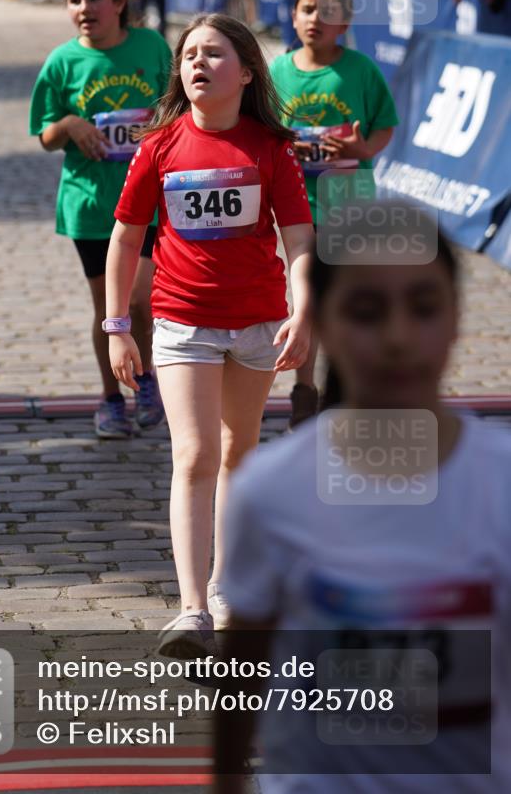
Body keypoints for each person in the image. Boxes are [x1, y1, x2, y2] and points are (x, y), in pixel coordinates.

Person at [215, 206, 511, 793]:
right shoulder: (268, 492)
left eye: (423, 308)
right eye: (367, 312)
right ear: (320, 322)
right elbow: (242, 680)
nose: (399, 338)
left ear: (456, 318)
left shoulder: (501, 483)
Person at [105, 13, 314, 655]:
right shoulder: (159, 145)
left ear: (246, 72)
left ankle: (227, 586)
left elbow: (300, 238)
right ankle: (191, 608)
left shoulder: (270, 148)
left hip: (257, 326)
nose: (198, 64)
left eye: (215, 54)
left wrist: (304, 312)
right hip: (181, 323)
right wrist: (116, 325)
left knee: (238, 454)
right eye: (189, 54)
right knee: (193, 455)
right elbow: (127, 236)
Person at [29, 0, 171, 438]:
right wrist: (69, 125)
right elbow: (44, 135)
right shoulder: (62, 62)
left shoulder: (151, 47)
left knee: (141, 302)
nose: (84, 8)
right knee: (109, 311)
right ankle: (111, 399)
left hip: (151, 201)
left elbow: (181, 108)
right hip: (91, 205)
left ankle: (146, 381)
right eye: (74, 0)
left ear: (119, 2)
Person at [270, 0, 398, 426]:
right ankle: (304, 390)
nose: (315, 20)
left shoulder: (360, 71)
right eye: (307, 9)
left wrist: (363, 150)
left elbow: (384, 124)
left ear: (344, 23)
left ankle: (344, 389)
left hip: (349, 204)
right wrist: (286, 148)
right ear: (293, 15)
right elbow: (263, 129)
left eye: (327, 13)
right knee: (306, 301)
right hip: (296, 207)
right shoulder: (278, 72)